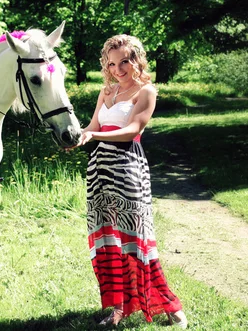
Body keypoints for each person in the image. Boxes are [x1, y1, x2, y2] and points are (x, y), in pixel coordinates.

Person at [69, 35, 188, 328]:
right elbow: (93, 126)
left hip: (127, 167)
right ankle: (117, 309)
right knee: (107, 240)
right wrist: (77, 136)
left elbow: (132, 129)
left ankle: (169, 306)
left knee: (135, 241)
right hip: (99, 169)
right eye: (112, 63)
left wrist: (95, 136)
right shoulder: (106, 92)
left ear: (137, 59)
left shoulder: (146, 91)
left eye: (124, 61)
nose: (118, 69)